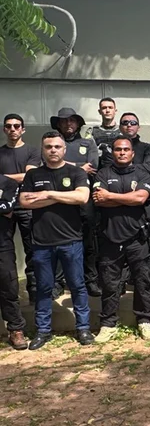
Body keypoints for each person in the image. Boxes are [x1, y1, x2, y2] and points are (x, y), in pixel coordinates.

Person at [20, 131, 94, 350]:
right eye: (48, 146)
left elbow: (81, 197)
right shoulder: (33, 176)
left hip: (71, 240)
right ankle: (43, 331)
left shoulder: (76, 172)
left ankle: (83, 328)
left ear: (64, 149)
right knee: (44, 287)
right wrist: (62, 197)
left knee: (77, 286)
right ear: (43, 150)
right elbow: (25, 201)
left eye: (57, 147)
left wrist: (47, 195)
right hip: (42, 242)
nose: (53, 150)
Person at [92, 136, 150, 342]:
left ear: (132, 153)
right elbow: (98, 200)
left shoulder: (142, 173)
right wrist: (128, 200)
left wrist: (111, 197)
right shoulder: (103, 173)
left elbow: (140, 198)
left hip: (137, 238)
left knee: (142, 282)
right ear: (112, 152)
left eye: (125, 149)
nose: (121, 152)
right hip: (110, 237)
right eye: (118, 149)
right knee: (110, 284)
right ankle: (108, 324)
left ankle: (144, 321)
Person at [50, 107, 100, 297]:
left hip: (84, 199)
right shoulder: (53, 145)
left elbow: (93, 166)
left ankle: (90, 280)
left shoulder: (88, 143)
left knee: (88, 241)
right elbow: (51, 163)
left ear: (78, 123)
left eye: (72, 120)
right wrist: (79, 166)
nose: (68, 124)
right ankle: (58, 282)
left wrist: (64, 164)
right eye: (64, 121)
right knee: (60, 242)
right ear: (58, 124)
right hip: (60, 200)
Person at [1, 113, 41, 303]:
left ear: (23, 129)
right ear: (4, 129)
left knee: (32, 249)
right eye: (9, 126)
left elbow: (29, 176)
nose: (13, 129)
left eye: (17, 126)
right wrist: (16, 176)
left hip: (27, 205)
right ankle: (10, 294)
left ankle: (34, 292)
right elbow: (22, 176)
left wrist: (3, 177)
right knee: (5, 253)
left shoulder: (32, 151)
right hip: (4, 209)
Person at [0, 173, 28, 349]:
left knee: (8, 286)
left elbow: (6, 207)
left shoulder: (8, 183)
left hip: (2, 245)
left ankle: (15, 329)